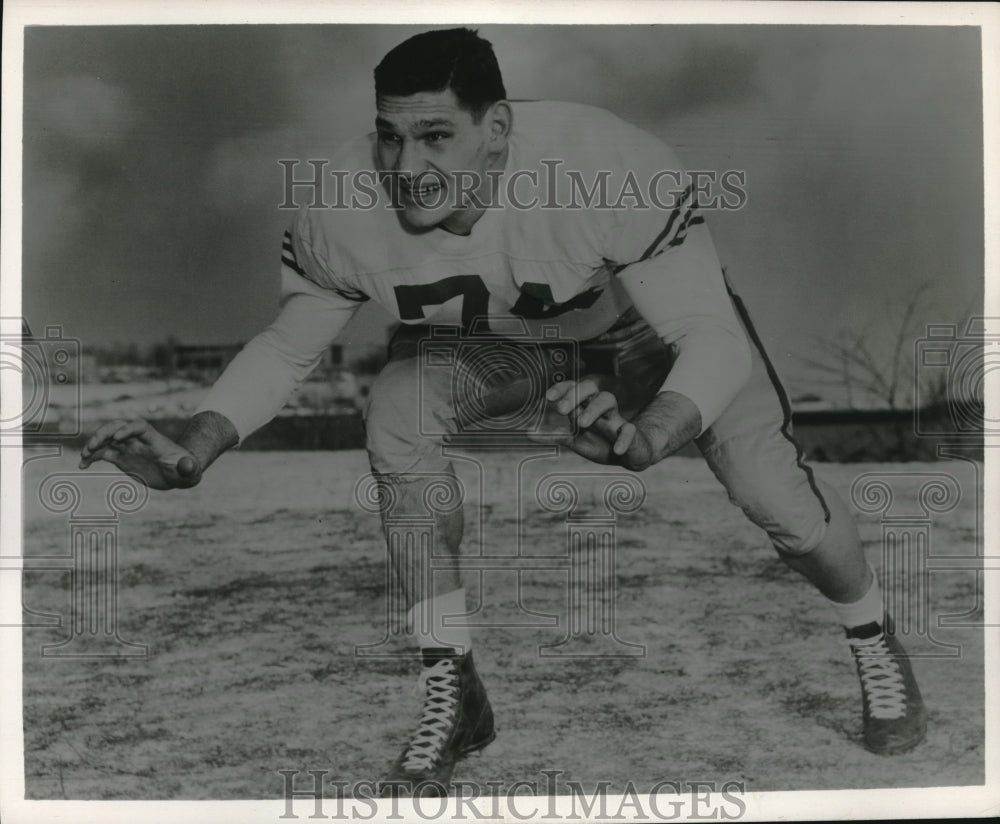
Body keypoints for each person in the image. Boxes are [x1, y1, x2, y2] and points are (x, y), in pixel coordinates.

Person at [80, 27, 926, 797]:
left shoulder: (606, 163)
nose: (406, 165)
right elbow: (289, 344)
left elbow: (709, 334)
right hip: (489, 347)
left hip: (638, 330)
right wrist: (202, 440)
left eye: (436, 136)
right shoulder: (340, 202)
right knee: (395, 417)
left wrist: (651, 435)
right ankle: (454, 689)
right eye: (391, 133)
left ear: (498, 132)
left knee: (773, 495)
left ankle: (870, 637)